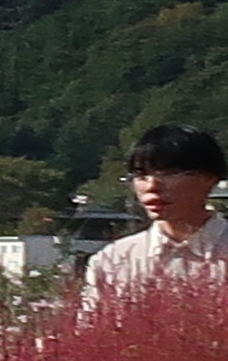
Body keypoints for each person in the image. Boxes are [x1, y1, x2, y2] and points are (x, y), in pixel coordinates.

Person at [83, 123, 228, 301]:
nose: (152, 186)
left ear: (209, 178)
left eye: (169, 173)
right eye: (141, 176)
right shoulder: (114, 260)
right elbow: (91, 327)